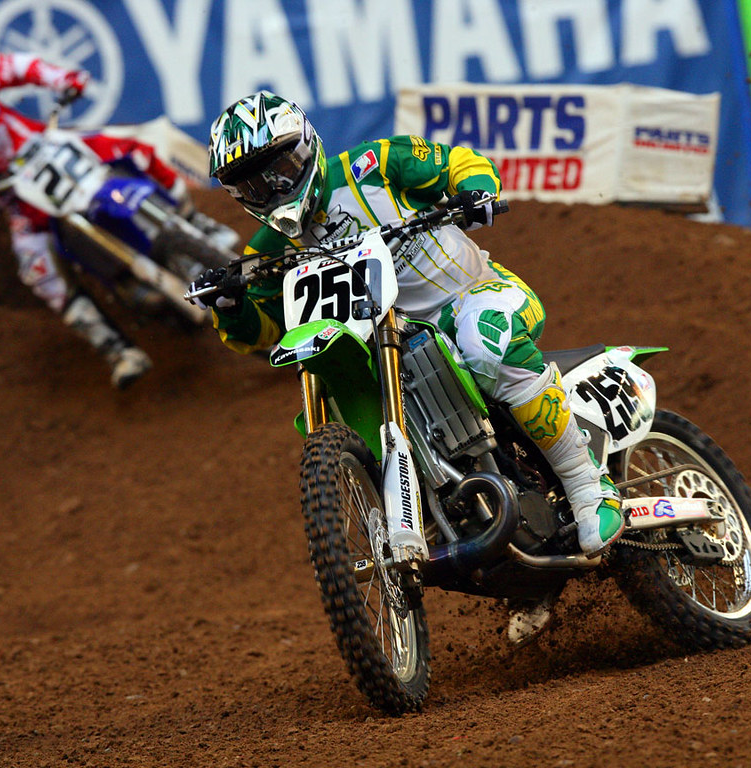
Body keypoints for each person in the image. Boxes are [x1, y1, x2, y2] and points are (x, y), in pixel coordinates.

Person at [190, 91, 624, 557]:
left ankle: (588, 485)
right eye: (254, 185)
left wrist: (475, 190)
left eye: (281, 168)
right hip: (393, 346)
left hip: (476, 296)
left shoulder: (374, 164)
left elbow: (457, 161)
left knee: (483, 342)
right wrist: (230, 304)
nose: (274, 188)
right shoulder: (266, 250)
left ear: (306, 148)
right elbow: (265, 330)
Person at [0, 50, 236, 389]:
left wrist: (63, 79)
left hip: (54, 150)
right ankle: (117, 349)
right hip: (20, 204)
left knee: (135, 148)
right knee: (38, 272)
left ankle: (196, 220)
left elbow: (23, 66)